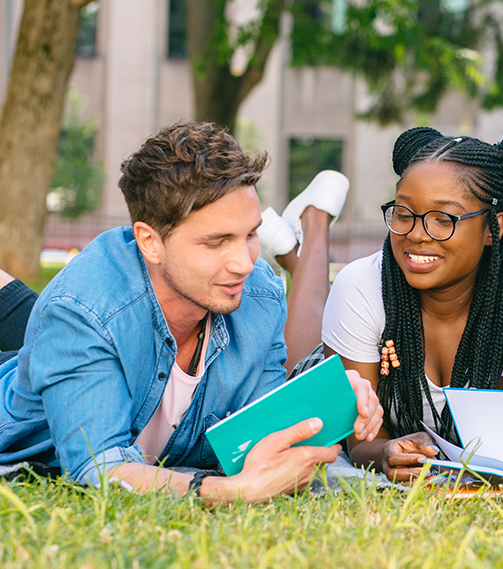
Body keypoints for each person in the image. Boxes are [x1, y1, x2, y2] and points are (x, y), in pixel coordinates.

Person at [0, 122, 382, 503]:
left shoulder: (260, 295)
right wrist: (231, 491)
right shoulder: (82, 312)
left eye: (250, 235)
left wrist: (334, 402)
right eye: (216, 243)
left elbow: (261, 430)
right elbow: (100, 470)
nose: (244, 264)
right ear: (150, 242)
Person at [310, 126, 503, 482]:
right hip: (324, 360)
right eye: (404, 214)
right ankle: (314, 225)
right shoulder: (362, 283)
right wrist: (385, 453)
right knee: (294, 367)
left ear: (492, 228)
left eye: (443, 219)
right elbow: (359, 444)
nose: (416, 234)